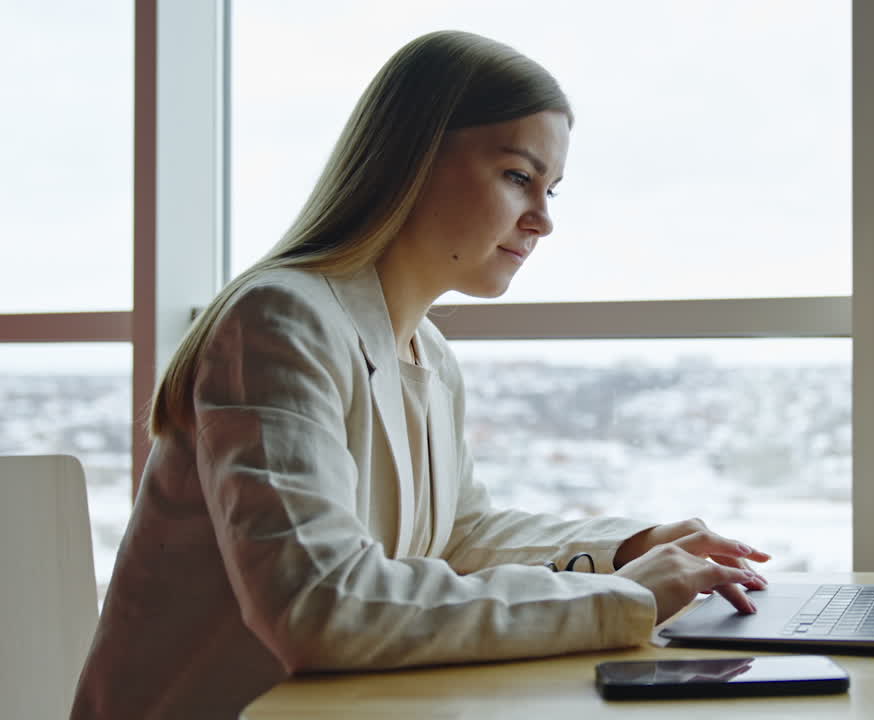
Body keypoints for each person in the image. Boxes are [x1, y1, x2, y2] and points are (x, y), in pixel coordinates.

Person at [71, 30, 770, 719]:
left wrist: (629, 550)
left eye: (552, 189)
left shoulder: (426, 352)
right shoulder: (278, 321)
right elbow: (320, 605)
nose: (543, 221)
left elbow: (459, 539)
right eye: (519, 177)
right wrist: (627, 597)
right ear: (411, 159)